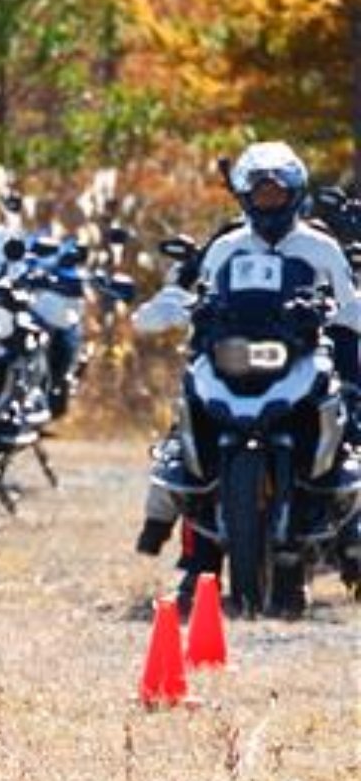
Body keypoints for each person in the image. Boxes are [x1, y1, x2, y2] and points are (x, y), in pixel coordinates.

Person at [131, 141, 361, 614]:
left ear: (295, 194)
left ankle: (346, 546)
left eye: (278, 194)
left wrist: (346, 315)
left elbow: (347, 299)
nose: (269, 202)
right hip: (233, 360)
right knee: (186, 434)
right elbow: (198, 295)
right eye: (261, 194)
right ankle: (197, 563)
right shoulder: (227, 246)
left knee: (347, 431)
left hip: (299, 357)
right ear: (245, 197)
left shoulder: (319, 247)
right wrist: (173, 305)